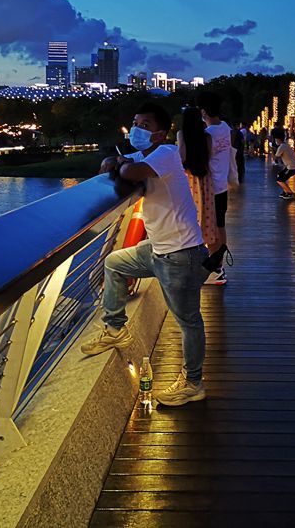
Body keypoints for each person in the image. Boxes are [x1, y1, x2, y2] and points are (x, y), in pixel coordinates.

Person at [80, 102, 208, 406]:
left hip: (181, 254)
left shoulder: (165, 153)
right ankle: (115, 328)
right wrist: (115, 160)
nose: (137, 129)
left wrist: (121, 164)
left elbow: (131, 170)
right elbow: (108, 165)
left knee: (188, 320)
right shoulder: (146, 155)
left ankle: (193, 383)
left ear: (161, 133)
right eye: (135, 123)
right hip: (159, 249)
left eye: (145, 125)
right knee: (114, 263)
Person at [198, 91, 232, 283]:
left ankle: (215, 269)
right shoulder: (225, 127)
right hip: (222, 185)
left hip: (211, 187)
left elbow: (204, 158)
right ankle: (219, 265)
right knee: (220, 225)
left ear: (203, 112)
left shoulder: (209, 134)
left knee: (210, 227)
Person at [177, 106, 221, 254]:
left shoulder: (182, 134)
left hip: (188, 177)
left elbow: (182, 157)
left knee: (189, 213)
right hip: (205, 178)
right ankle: (209, 252)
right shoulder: (207, 136)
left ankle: (191, 246)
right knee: (207, 214)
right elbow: (209, 156)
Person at [272, 129, 295, 199]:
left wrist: (271, 150)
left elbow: (275, 158)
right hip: (292, 166)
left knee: (280, 180)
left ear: (278, 139)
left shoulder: (281, 147)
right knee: (281, 175)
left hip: (292, 167)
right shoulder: (285, 145)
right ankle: (286, 191)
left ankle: (290, 193)